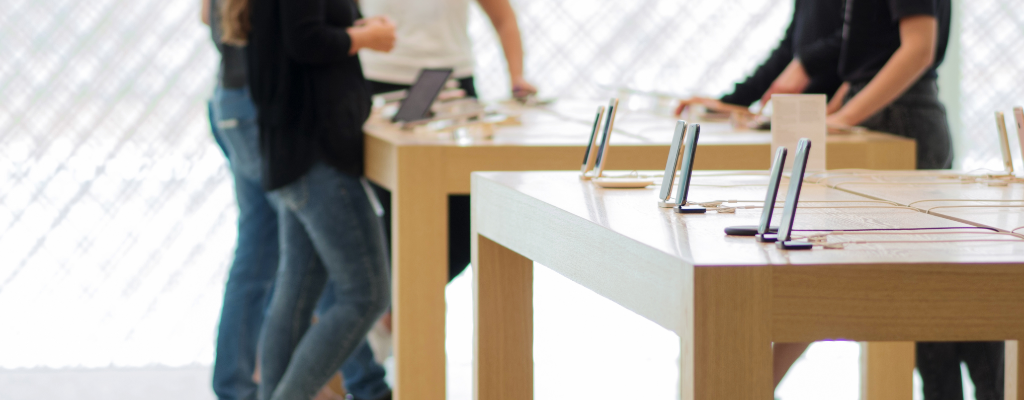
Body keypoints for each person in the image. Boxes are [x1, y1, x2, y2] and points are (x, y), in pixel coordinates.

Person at [216, 0, 397, 398]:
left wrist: (355, 28)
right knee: (365, 295)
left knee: (297, 292)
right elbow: (305, 40)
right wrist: (366, 37)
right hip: (317, 151)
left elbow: (299, 34)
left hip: (295, 151)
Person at [827, 1, 1001, 398]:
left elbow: (918, 48)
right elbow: (868, 61)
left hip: (901, 119)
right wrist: (837, 109)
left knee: (935, 294)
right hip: (890, 115)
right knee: (925, 299)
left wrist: (845, 116)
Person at [358, 0, 537, 289]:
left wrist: (517, 76)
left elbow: (503, 18)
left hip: (452, 86)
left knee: (467, 220)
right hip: (379, 84)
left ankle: (407, 306)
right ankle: (399, 312)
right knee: (393, 220)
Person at [675, 0, 844, 118]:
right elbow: (789, 48)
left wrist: (807, 63)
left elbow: (860, 38)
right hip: (810, 114)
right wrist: (733, 101)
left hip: (845, 113)